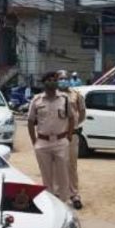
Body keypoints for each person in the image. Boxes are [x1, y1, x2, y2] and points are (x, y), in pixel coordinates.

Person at [27, 72, 75, 203]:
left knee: (63, 176)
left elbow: (71, 118)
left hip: (61, 141)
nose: (52, 81)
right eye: (48, 79)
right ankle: (51, 204)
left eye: (54, 79)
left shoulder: (64, 99)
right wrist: (34, 141)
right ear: (44, 83)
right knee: (46, 177)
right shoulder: (36, 100)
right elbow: (30, 121)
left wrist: (69, 135)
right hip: (42, 142)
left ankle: (64, 202)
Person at [57, 70, 87, 209]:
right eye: (60, 78)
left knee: (72, 166)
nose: (63, 80)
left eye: (65, 78)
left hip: (72, 135)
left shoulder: (76, 95)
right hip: (56, 136)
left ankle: (74, 194)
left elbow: (82, 113)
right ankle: (57, 194)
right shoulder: (51, 95)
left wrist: (73, 125)